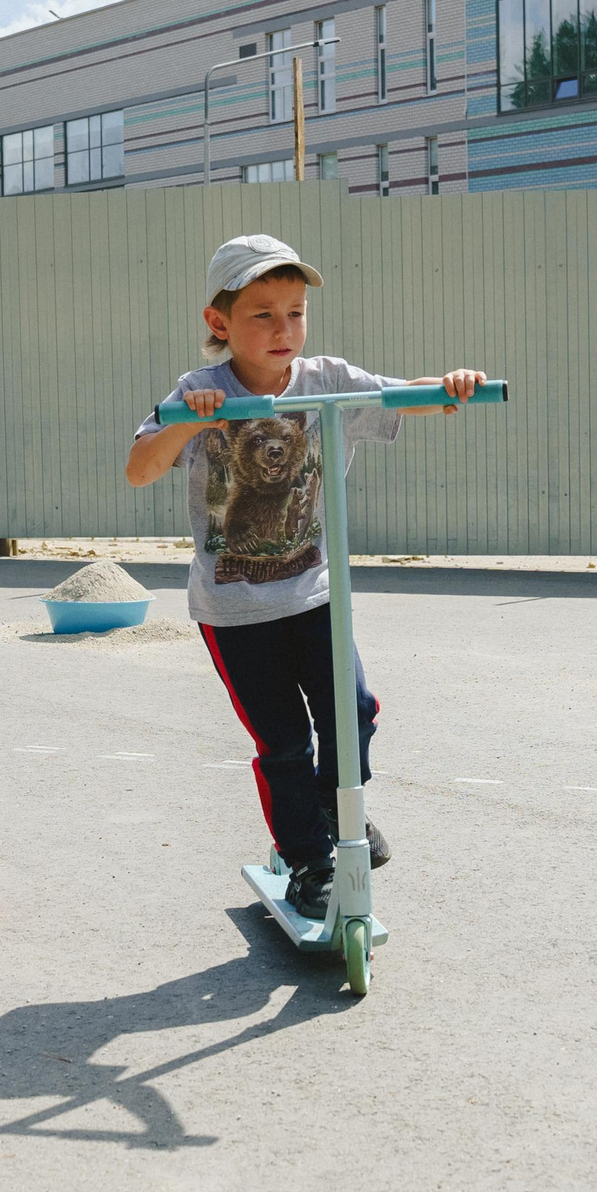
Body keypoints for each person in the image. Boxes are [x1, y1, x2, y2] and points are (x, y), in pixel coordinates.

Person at [127, 234, 486, 915]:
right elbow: (140, 467)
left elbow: (401, 397)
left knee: (353, 713)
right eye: (262, 313)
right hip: (234, 610)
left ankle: (334, 801)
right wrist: (185, 423)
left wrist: (450, 387)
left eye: (295, 311)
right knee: (283, 741)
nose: (282, 328)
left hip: (317, 594)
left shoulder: (325, 381)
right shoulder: (200, 391)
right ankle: (309, 859)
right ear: (219, 322)